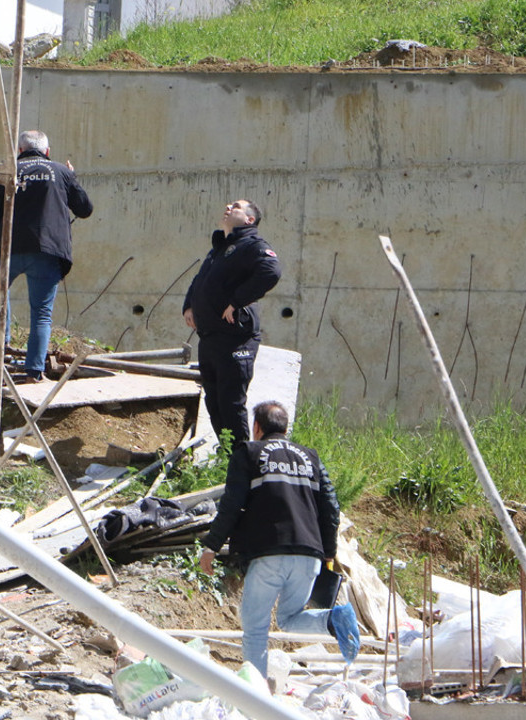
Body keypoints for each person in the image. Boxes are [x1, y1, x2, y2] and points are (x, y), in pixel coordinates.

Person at [198, 400, 361, 678]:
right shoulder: (311, 457)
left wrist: (212, 545)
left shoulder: (249, 452)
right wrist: (328, 552)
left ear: (256, 427)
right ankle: (333, 618)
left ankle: (256, 695)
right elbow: (331, 506)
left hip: (268, 554)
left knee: (256, 630)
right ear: (286, 428)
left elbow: (232, 504)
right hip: (309, 555)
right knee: (289, 618)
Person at [0, 130, 93, 380]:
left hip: (9, 250)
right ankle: (33, 371)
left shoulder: (7, 172)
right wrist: (72, 177)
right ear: (48, 152)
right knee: (41, 314)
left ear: (19, 151)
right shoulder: (61, 172)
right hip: (47, 252)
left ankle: (2, 350)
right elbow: (85, 209)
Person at [182, 199, 281, 444]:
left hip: (236, 338)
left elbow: (271, 270)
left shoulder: (252, 245)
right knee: (213, 401)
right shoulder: (219, 249)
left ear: (249, 219)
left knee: (231, 400)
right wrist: (189, 305)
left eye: (236, 207)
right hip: (210, 336)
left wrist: (237, 301)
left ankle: (242, 459)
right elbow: (200, 280)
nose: (227, 207)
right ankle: (229, 455)